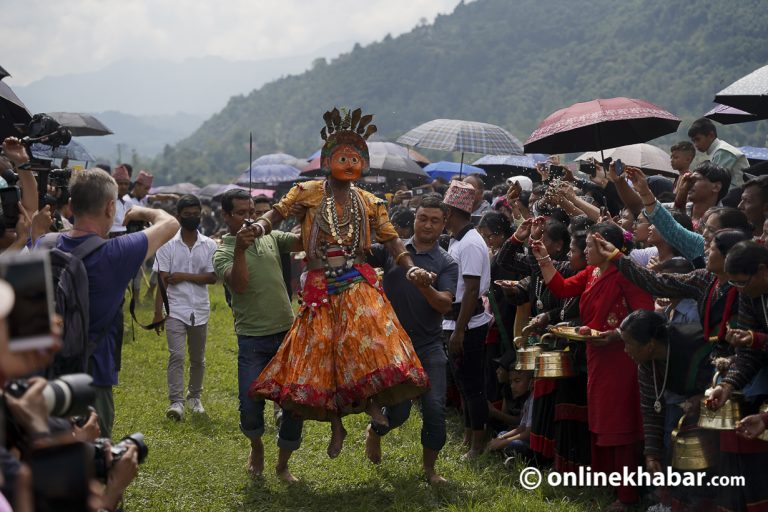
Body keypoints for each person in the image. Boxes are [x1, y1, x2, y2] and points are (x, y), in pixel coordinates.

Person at [248, 108, 431, 460]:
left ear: (362, 163)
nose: (348, 162)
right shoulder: (307, 192)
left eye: (355, 157)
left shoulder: (370, 201)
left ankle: (374, 406)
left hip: (357, 280)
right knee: (323, 356)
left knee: (368, 344)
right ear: (328, 160)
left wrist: (410, 267)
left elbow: (392, 241)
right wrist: (258, 226)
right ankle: (336, 424)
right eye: (341, 156)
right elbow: (277, 213)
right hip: (320, 285)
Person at [38, 168, 179, 438]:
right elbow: (169, 223)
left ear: (70, 205)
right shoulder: (116, 252)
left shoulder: (44, 244)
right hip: (94, 375)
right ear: (110, 207)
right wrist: (142, 212)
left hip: (45, 373)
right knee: (92, 465)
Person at [532, 222, 654, 511]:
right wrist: (542, 257)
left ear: (605, 247)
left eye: (588, 245)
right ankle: (610, 486)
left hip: (621, 358)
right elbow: (561, 288)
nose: (584, 251)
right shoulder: (592, 272)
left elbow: (645, 314)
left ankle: (627, 497)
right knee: (602, 419)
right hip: (596, 355)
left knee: (620, 424)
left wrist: (614, 335)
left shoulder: (625, 274)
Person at [363, 193, 458, 484]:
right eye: (422, 218)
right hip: (394, 345)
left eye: (435, 221)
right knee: (400, 412)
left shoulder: (446, 262)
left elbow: (444, 305)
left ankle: (430, 470)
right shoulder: (394, 250)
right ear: (414, 219)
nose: (427, 225)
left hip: (429, 345)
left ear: (444, 225)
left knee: (435, 409)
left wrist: (424, 287)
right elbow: (359, 250)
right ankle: (374, 432)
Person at [212, 188, 304, 482]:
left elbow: (302, 241)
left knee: (293, 406)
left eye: (252, 212)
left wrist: (302, 211)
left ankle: (283, 464)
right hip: (252, 340)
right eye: (240, 213)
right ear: (226, 216)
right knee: (250, 407)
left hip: (287, 335)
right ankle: (256, 448)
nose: (249, 219)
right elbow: (238, 285)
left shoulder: (271, 237)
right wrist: (240, 249)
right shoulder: (223, 252)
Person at [152, 194, 217, 421]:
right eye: (187, 215)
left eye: (195, 214)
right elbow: (161, 280)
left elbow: (212, 277)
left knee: (198, 358)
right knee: (177, 355)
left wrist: (182, 276)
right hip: (175, 309)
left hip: (200, 309)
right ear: (178, 217)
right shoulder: (167, 246)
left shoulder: (209, 244)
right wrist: (158, 312)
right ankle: (176, 402)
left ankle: (194, 397)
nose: (192, 218)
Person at [441, 180, 493, 460]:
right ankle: (468, 437)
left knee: (473, 386)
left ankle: (477, 445)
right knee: (462, 384)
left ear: (450, 212)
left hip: (468, 323)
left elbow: (472, 290)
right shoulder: (456, 240)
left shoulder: (471, 243)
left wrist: (459, 332)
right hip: (454, 319)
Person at [688, 117, 749, 190]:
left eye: (698, 139)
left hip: (738, 195)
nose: (696, 144)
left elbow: (714, 181)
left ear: (711, 135)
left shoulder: (722, 152)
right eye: (693, 141)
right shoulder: (716, 151)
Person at [672, 162, 731, 230]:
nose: (689, 183)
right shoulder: (668, 208)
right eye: (690, 179)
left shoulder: (723, 225)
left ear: (716, 187)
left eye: (695, 179)